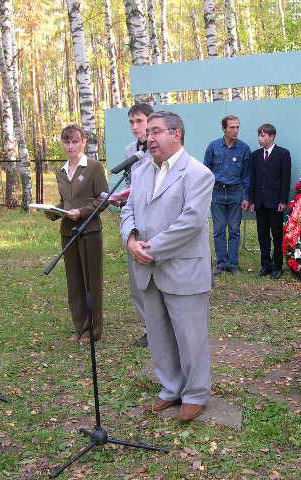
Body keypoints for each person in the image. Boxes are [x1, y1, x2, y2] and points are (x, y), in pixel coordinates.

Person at [120, 111, 214, 422]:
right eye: (148, 132)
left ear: (177, 134)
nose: (149, 138)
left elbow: (190, 222)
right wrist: (131, 239)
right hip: (146, 268)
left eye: (156, 131)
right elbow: (128, 209)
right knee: (159, 334)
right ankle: (171, 387)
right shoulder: (142, 170)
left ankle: (195, 394)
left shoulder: (198, 173)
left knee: (190, 337)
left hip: (181, 268)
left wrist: (150, 249)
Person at [46, 125, 109, 343]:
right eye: (66, 141)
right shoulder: (61, 171)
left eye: (74, 141)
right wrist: (54, 211)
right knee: (74, 282)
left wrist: (81, 212)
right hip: (68, 232)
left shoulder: (94, 167)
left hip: (89, 231)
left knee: (91, 281)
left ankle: (94, 330)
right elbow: (66, 202)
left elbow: (104, 199)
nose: (70, 146)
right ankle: (80, 327)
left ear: (84, 142)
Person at [203, 115, 251, 275]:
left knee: (235, 229)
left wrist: (246, 196)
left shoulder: (244, 149)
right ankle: (221, 263)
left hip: (235, 192)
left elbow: (247, 175)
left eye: (237, 127)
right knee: (219, 229)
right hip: (217, 192)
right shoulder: (213, 147)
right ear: (224, 129)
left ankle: (233, 264)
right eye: (232, 127)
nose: (236, 130)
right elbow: (205, 170)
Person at [124, 103, 154, 347]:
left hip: (156, 219)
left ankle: (164, 327)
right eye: (132, 122)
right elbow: (129, 185)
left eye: (139, 121)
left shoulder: (159, 150)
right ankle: (149, 327)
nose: (135, 127)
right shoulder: (129, 151)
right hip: (135, 219)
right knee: (137, 281)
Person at [248, 123, 291, 280]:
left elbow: (285, 179)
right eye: (259, 135)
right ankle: (265, 265)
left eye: (263, 135)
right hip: (260, 202)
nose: (260, 138)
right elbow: (253, 179)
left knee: (277, 234)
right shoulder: (255, 155)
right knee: (262, 234)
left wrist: (283, 201)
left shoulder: (283, 154)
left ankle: (277, 266)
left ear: (271, 137)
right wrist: (252, 200)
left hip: (275, 203)